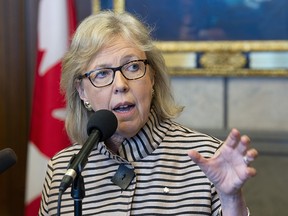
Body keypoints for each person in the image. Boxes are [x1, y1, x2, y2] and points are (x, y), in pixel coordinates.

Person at [39, 10, 258, 216]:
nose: (121, 84)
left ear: (152, 77)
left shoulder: (208, 159)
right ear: (82, 91)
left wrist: (231, 201)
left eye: (133, 67)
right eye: (102, 73)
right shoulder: (64, 170)